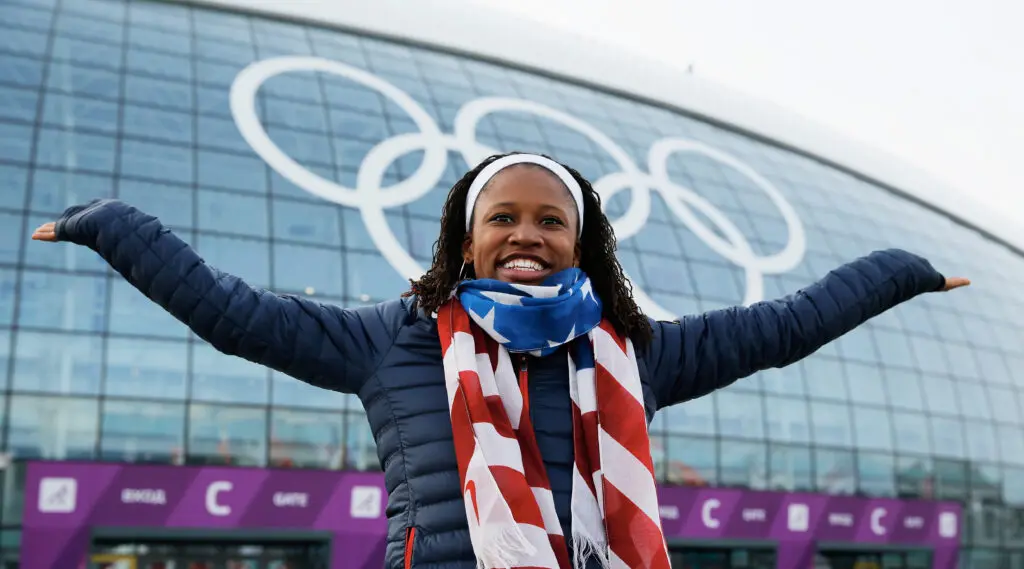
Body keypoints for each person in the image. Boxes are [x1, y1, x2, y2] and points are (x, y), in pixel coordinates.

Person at [32, 152, 968, 569]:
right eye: (503, 218)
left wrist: (905, 272)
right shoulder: (389, 338)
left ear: (581, 242)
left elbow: (786, 326)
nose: (527, 235)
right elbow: (230, 313)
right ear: (468, 239)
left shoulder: (633, 352)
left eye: (550, 220)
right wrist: (111, 226)